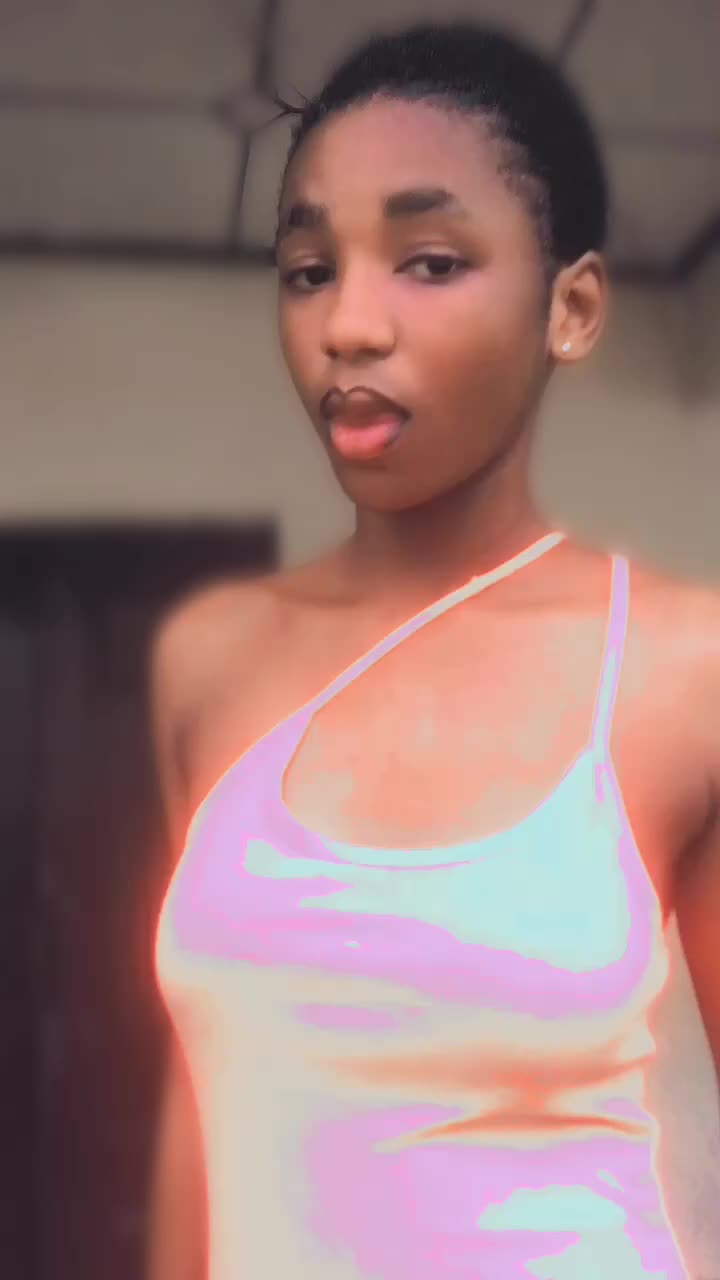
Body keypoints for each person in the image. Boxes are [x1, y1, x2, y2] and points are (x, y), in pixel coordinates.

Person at [148, 21, 720, 1280]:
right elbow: (212, 1087)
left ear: (571, 308)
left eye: (429, 261)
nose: (349, 325)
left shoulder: (683, 670)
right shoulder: (213, 663)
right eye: (309, 269)